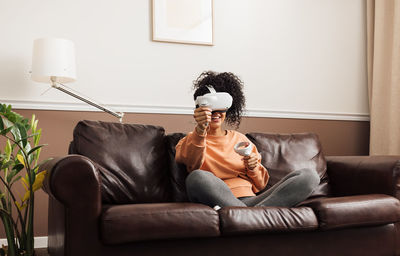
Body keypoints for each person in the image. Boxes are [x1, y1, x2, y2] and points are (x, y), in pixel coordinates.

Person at [175, 71, 320, 209]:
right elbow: (192, 165)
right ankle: (253, 216)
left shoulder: (240, 139)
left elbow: (261, 185)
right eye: (211, 107)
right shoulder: (190, 140)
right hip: (218, 199)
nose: (216, 113)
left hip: (253, 200)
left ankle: (248, 215)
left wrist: (253, 168)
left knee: (309, 176)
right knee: (197, 177)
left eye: (221, 107)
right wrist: (200, 129)